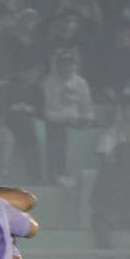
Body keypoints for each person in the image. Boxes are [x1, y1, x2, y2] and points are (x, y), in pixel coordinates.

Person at [92, 139, 130, 259]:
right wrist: (107, 213)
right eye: (128, 157)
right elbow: (95, 200)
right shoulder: (105, 173)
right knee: (97, 221)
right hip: (109, 216)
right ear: (120, 158)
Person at [41, 49, 95, 186]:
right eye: (64, 64)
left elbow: (87, 106)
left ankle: (83, 175)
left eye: (71, 64)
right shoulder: (49, 82)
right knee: (58, 133)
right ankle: (59, 173)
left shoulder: (81, 83)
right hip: (56, 121)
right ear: (58, 66)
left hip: (77, 120)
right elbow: (49, 111)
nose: (68, 67)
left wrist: (87, 119)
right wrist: (66, 118)